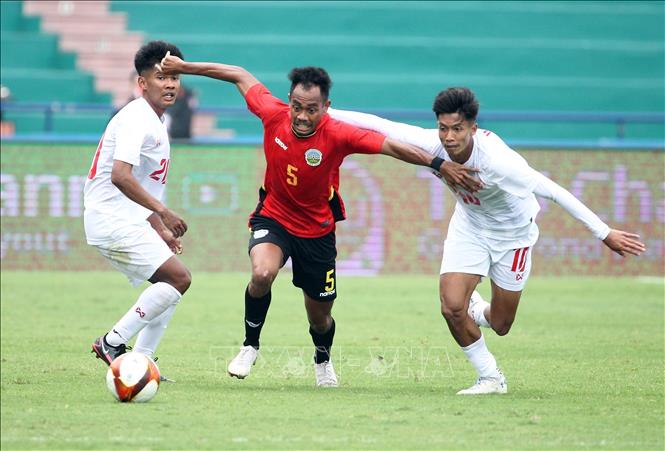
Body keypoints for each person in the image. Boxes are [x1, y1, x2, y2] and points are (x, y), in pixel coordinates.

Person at [159, 55, 481, 387]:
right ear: (289, 101)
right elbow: (238, 74)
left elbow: (391, 146)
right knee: (262, 273)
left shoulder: (340, 134)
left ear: (326, 106)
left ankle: (323, 359)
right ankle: (249, 346)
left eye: (311, 109)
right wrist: (183, 68)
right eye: (296, 106)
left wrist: (439, 164)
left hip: (317, 233)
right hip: (274, 217)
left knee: (321, 317)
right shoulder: (273, 114)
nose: (301, 115)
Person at [327, 87, 646, 395]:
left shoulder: (498, 163)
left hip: (514, 237)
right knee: (452, 308)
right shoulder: (434, 144)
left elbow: (554, 190)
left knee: (502, 323)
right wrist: (325, 113)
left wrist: (604, 233)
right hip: (470, 227)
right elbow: (379, 124)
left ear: (473, 128)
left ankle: (479, 311)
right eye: (443, 128)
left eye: (457, 129)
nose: (449, 137)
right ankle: (490, 377)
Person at [84, 41, 192, 381]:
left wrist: (157, 227)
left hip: (124, 218)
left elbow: (138, 182)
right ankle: (112, 343)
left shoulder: (157, 120)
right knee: (179, 278)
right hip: (111, 219)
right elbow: (120, 176)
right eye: (162, 77)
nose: (171, 84)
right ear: (142, 83)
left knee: (170, 285)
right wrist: (163, 213)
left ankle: (141, 365)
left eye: (175, 76)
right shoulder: (136, 118)